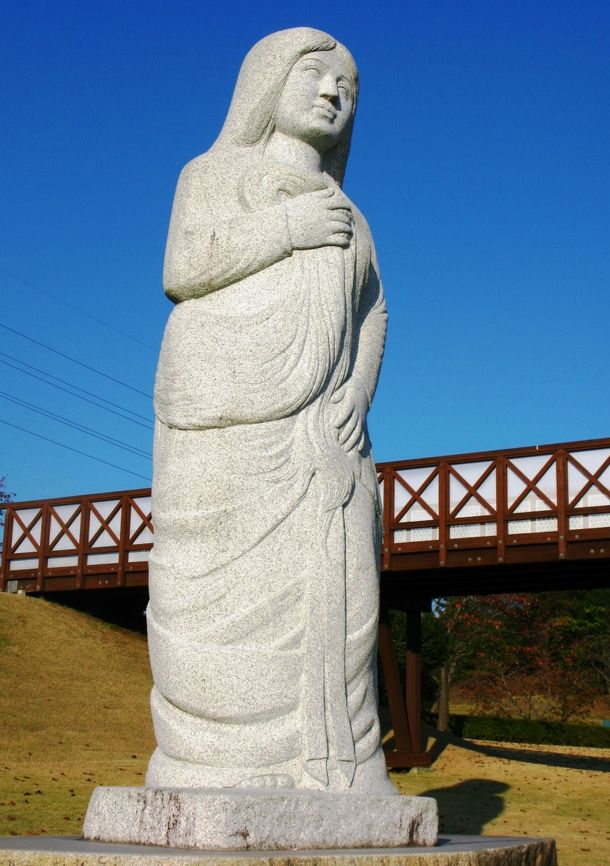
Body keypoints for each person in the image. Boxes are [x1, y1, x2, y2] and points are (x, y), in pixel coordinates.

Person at [146, 27, 393, 795]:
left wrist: (356, 393)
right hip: (222, 422)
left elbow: (375, 310)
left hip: (323, 434)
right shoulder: (213, 173)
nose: (333, 93)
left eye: (347, 87)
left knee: (344, 597)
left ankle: (342, 764)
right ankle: (205, 765)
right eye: (317, 75)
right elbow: (182, 268)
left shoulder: (350, 212)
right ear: (267, 84)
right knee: (206, 591)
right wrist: (287, 229)